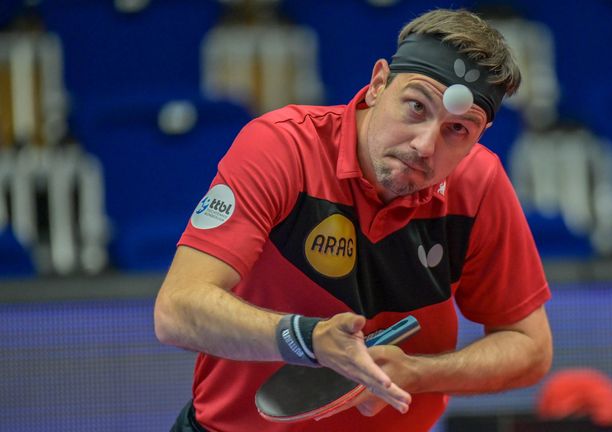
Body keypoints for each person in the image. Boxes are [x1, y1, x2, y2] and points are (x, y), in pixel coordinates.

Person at [154, 8, 553, 432]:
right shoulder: (283, 148)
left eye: (458, 130)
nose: (424, 145)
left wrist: (418, 372)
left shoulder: (479, 183)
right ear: (379, 83)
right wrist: (307, 339)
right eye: (416, 106)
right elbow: (176, 310)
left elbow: (530, 348)